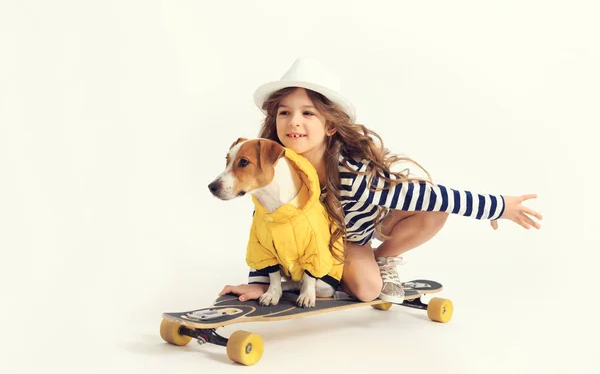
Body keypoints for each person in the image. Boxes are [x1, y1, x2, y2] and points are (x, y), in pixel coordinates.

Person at [219, 58, 542, 304]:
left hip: (346, 240)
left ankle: (382, 260)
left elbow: (422, 195)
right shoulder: (273, 169)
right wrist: (259, 280)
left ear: (331, 126)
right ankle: (311, 276)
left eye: (308, 113)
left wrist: (495, 207)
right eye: (284, 113)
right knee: (364, 286)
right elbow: (265, 225)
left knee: (371, 284)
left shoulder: (352, 173)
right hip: (305, 243)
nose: (294, 122)